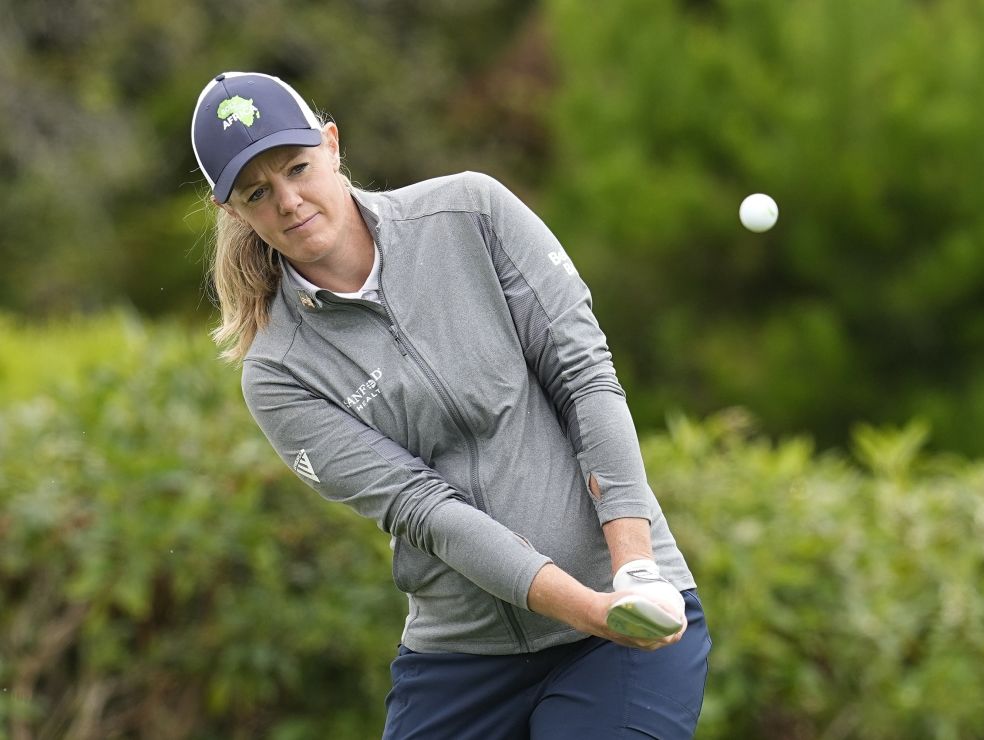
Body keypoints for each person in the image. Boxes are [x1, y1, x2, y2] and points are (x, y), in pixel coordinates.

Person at [190, 71, 710, 739]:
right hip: (465, 659)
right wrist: (584, 608)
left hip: (630, 614)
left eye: (297, 167)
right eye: (258, 192)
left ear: (332, 144)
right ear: (230, 211)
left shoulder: (471, 214)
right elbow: (427, 511)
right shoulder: (278, 371)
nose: (289, 201)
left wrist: (633, 573)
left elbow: (586, 378)